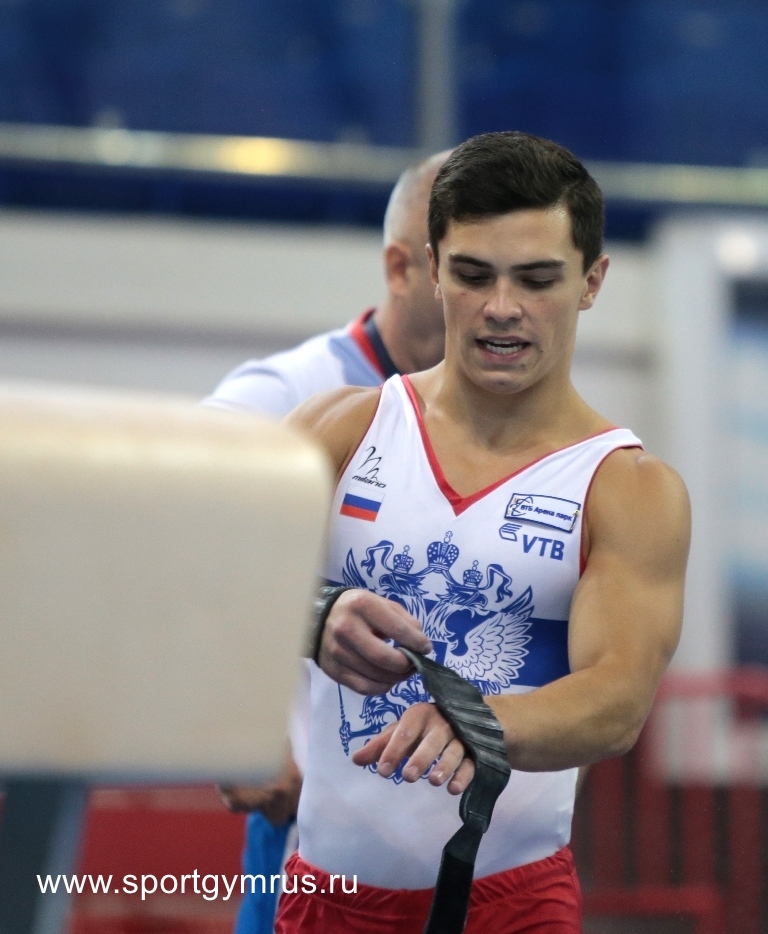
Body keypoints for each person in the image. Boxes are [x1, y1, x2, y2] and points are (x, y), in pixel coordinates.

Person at [274, 131, 691, 934]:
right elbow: (211, 588)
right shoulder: (338, 431)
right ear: (433, 270)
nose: (502, 307)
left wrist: (481, 721)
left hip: (512, 904)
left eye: (537, 279)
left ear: (592, 282)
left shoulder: (626, 488)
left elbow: (617, 699)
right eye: (473, 275)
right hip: (329, 897)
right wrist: (315, 615)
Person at [206, 149, 451, 934]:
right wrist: (232, 729)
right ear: (401, 266)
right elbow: (171, 541)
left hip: (470, 843)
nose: (493, 298)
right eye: (463, 268)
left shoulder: (522, 428)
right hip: (314, 837)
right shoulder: (287, 394)